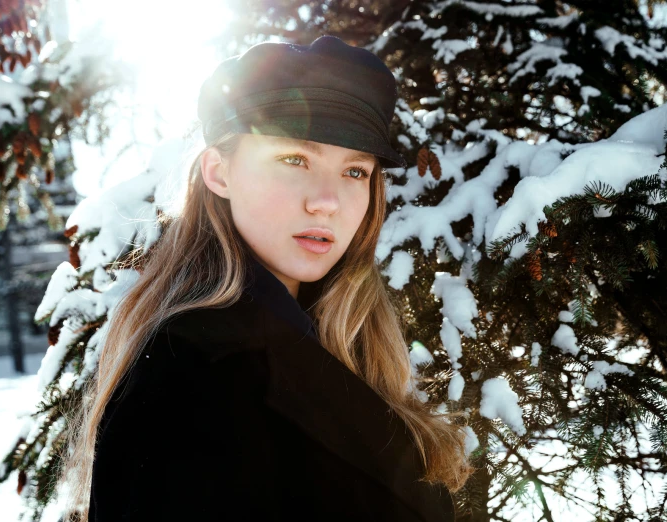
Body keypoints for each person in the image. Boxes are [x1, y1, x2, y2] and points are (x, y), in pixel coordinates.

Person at [59, 35, 475, 522]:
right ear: (220, 172)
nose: (328, 201)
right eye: (294, 160)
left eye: (356, 172)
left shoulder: (348, 344)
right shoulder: (189, 372)